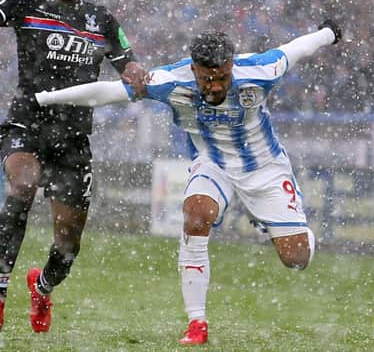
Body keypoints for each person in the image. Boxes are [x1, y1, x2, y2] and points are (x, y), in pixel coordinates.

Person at [34, 19, 342, 344]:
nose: (216, 87)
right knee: (195, 217)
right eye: (208, 80)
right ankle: (197, 323)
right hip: (213, 164)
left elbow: (297, 48)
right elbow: (108, 93)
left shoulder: (260, 70)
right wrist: (43, 98)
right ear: (194, 70)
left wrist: (329, 33)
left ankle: (287, 228)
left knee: (296, 260)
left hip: (264, 169)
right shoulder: (169, 81)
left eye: (223, 78)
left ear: (231, 66)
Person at [0, 0, 146, 333]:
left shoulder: (100, 20)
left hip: (72, 139)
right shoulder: (27, 5)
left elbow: (129, 62)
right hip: (27, 125)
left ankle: (42, 288)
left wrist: (135, 71)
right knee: (23, 185)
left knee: (68, 245)